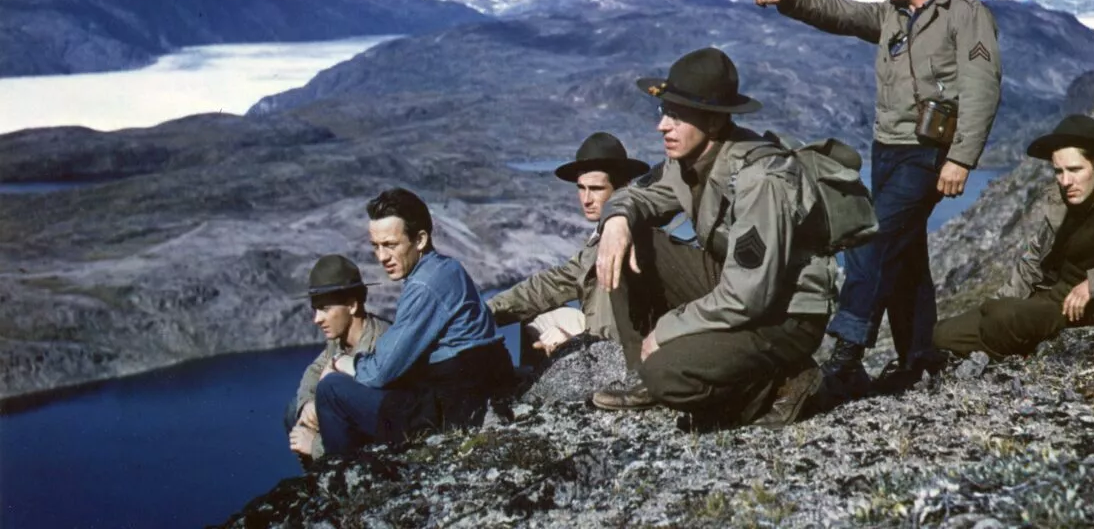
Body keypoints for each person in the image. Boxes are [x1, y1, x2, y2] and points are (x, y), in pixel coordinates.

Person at [752, 0, 1003, 398]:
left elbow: (981, 88)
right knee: (906, 256)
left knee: (871, 237)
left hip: (929, 154)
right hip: (887, 151)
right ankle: (919, 359)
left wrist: (962, 159)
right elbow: (842, 14)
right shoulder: (892, 16)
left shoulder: (964, 14)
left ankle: (846, 355)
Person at [590, 47, 840, 428]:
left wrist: (667, 330)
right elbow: (638, 194)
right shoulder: (687, 161)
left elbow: (747, 296)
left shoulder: (760, 179)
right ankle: (640, 375)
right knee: (628, 241)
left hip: (786, 315)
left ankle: (785, 381)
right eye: (664, 112)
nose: (662, 126)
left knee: (668, 376)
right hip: (743, 290)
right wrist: (616, 220)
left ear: (713, 121)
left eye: (677, 115)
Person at [933, 115, 1094, 359]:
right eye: (1059, 171)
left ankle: (1015, 351)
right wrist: (1002, 299)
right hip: (1047, 300)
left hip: (1088, 311)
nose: (1065, 181)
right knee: (941, 333)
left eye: (1075, 169)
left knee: (1001, 318)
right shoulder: (1061, 204)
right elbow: (1033, 261)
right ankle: (1005, 336)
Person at [312, 188, 511, 457]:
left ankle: (339, 476)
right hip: (468, 392)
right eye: (376, 246)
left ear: (419, 240)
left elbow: (381, 371)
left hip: (450, 410)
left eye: (390, 245)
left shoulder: (425, 285)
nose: (382, 257)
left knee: (331, 389)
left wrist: (340, 363)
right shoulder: (446, 268)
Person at [487, 132, 650, 354]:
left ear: (622, 189)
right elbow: (552, 283)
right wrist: (486, 311)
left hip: (622, 353)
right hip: (600, 335)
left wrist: (575, 341)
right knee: (537, 317)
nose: (586, 199)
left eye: (597, 189)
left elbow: (620, 326)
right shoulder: (599, 240)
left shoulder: (631, 241)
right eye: (581, 188)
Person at [287, 255, 390, 462]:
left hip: (380, 437)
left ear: (352, 306)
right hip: (353, 431)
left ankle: (337, 473)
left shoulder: (384, 342)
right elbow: (314, 371)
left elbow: (378, 424)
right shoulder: (338, 341)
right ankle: (324, 479)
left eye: (325, 309)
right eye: (315, 310)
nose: (316, 319)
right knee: (293, 411)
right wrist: (307, 404)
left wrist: (315, 446)